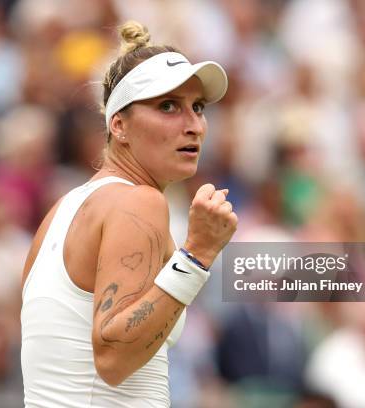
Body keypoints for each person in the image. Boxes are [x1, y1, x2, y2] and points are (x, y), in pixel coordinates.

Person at [20, 21, 236, 407]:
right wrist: (198, 254)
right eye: (168, 106)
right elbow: (114, 358)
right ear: (118, 125)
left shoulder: (59, 212)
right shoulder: (139, 201)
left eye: (197, 107)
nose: (194, 126)